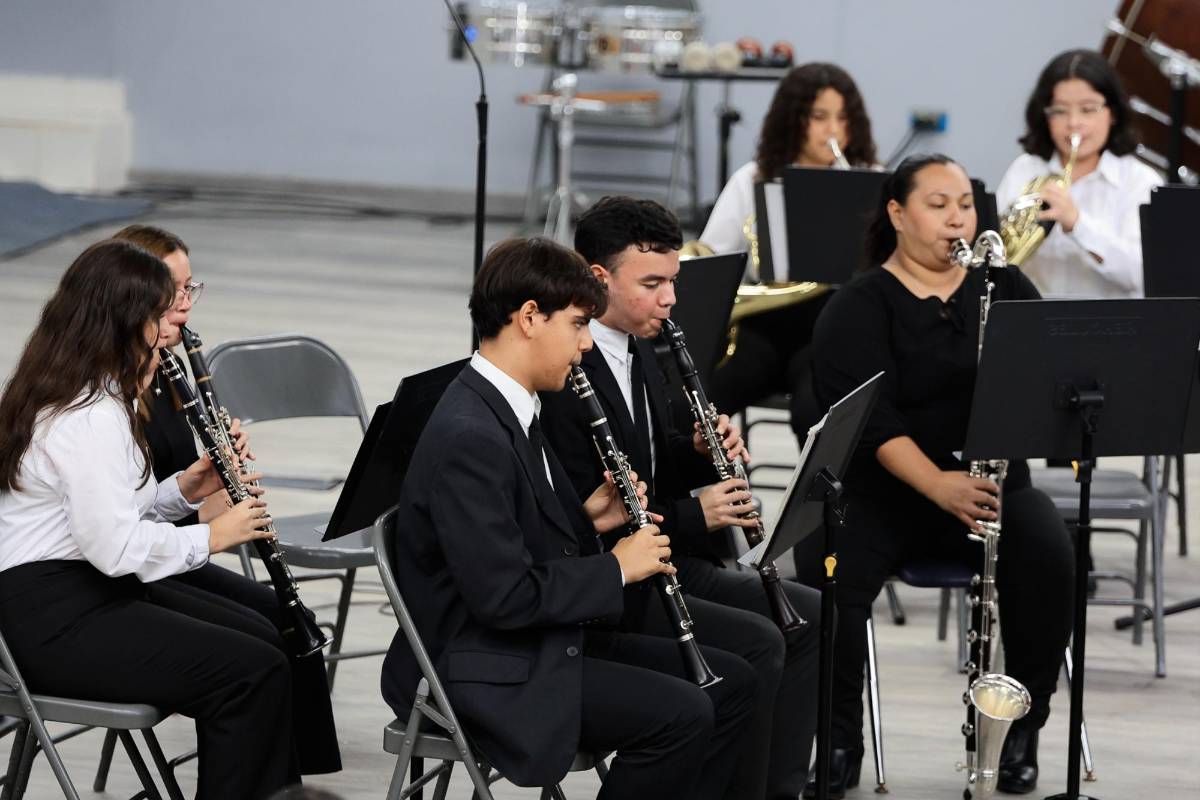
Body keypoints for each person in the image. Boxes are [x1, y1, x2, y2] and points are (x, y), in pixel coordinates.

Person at [380, 237, 757, 799]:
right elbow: (503, 597)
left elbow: (514, 543)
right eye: (579, 325)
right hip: (483, 664)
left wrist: (590, 522)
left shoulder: (511, 405)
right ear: (530, 318)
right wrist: (618, 570)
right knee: (680, 716)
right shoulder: (471, 435)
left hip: (532, 640)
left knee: (734, 682)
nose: (585, 346)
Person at [792, 155, 1075, 797]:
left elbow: (1046, 379)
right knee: (827, 573)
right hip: (886, 493)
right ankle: (837, 740)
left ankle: (1018, 730)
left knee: (1051, 552)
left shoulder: (1003, 286)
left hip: (991, 490)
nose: (957, 218)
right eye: (938, 204)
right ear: (897, 213)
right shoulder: (856, 306)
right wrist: (938, 485)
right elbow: (873, 422)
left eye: (966, 205)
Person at [538, 196, 822, 800]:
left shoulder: (642, 343)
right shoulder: (565, 374)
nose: (670, 299)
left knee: (811, 614)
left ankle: (780, 787)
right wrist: (700, 513)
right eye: (653, 283)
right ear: (598, 279)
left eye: (673, 281)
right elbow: (593, 516)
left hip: (663, 558)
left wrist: (696, 447)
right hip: (617, 581)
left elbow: (646, 458)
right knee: (760, 642)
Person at [0, 240, 295, 799]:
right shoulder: (85, 418)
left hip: (82, 589)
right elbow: (113, 547)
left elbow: (110, 516)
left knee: (263, 639)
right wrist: (212, 535)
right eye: (159, 315)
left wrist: (186, 490)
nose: (169, 330)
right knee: (251, 673)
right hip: (50, 618)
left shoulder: (91, 394)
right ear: (120, 323)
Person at [110, 224, 341, 775]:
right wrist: (215, 521)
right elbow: (122, 527)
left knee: (284, 614)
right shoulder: (108, 391)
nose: (185, 310)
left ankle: (296, 776)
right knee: (258, 646)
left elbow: (166, 502)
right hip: (138, 563)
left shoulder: (166, 373)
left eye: (191, 290)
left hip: (166, 546)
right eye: (173, 295)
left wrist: (210, 480)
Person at [699, 62, 879, 428]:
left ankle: (811, 487)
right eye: (819, 117)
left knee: (816, 413)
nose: (833, 131)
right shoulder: (753, 179)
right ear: (792, 119)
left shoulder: (870, 181)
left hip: (829, 331)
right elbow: (711, 258)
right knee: (704, 400)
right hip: (762, 326)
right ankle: (709, 483)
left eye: (843, 118)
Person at [996, 48, 1161, 299]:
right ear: (1045, 115)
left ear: (1112, 113)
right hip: (1031, 323)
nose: (1073, 123)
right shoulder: (1025, 169)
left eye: (1088, 109)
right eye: (1060, 111)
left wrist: (1077, 224)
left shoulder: (1141, 182)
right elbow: (999, 253)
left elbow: (1142, 274)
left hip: (1112, 328)